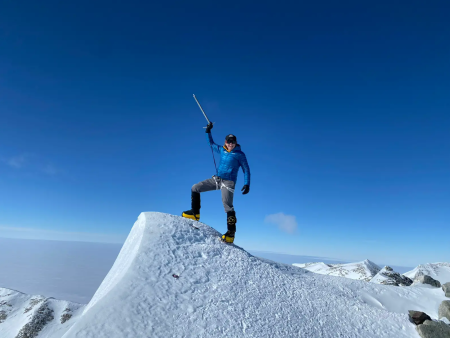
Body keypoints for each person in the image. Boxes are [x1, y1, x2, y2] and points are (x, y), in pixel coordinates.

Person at [182, 122, 250, 243]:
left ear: (235, 143)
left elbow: (246, 169)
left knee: (227, 206)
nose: (230, 144)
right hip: (217, 179)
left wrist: (247, 183)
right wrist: (208, 131)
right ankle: (194, 213)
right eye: (228, 141)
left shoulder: (240, 154)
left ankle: (230, 234)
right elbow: (211, 144)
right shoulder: (222, 150)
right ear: (225, 142)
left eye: (232, 142)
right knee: (195, 188)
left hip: (229, 182)